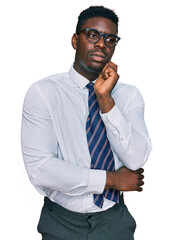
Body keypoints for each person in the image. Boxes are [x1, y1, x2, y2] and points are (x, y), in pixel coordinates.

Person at [21, 5, 152, 240]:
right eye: (93, 35)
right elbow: (41, 170)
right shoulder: (44, 92)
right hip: (61, 220)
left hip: (114, 220)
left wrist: (105, 99)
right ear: (75, 40)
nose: (102, 44)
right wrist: (112, 180)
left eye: (110, 39)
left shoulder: (128, 95)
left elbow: (136, 159)